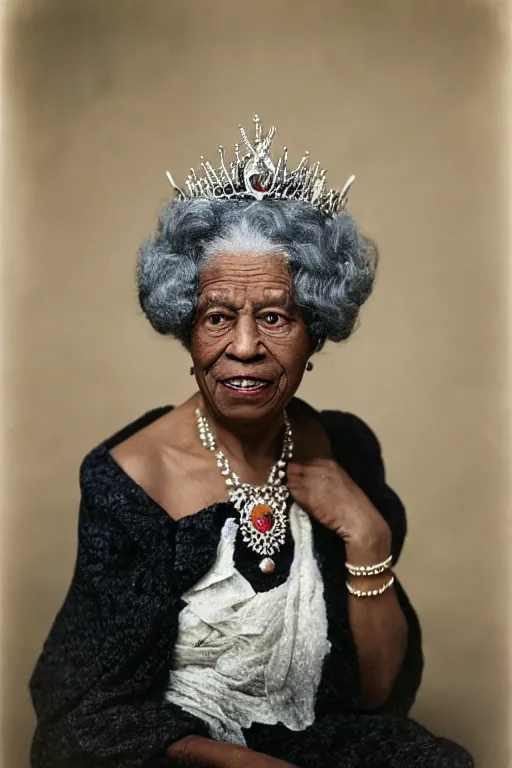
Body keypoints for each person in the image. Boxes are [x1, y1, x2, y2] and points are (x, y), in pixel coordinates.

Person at [29, 117, 474, 768]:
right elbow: (86, 722)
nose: (242, 347)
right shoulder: (130, 479)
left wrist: (368, 539)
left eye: (274, 316)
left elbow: (376, 696)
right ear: (186, 329)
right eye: (217, 317)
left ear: (314, 331)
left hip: (314, 742)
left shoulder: (342, 447)